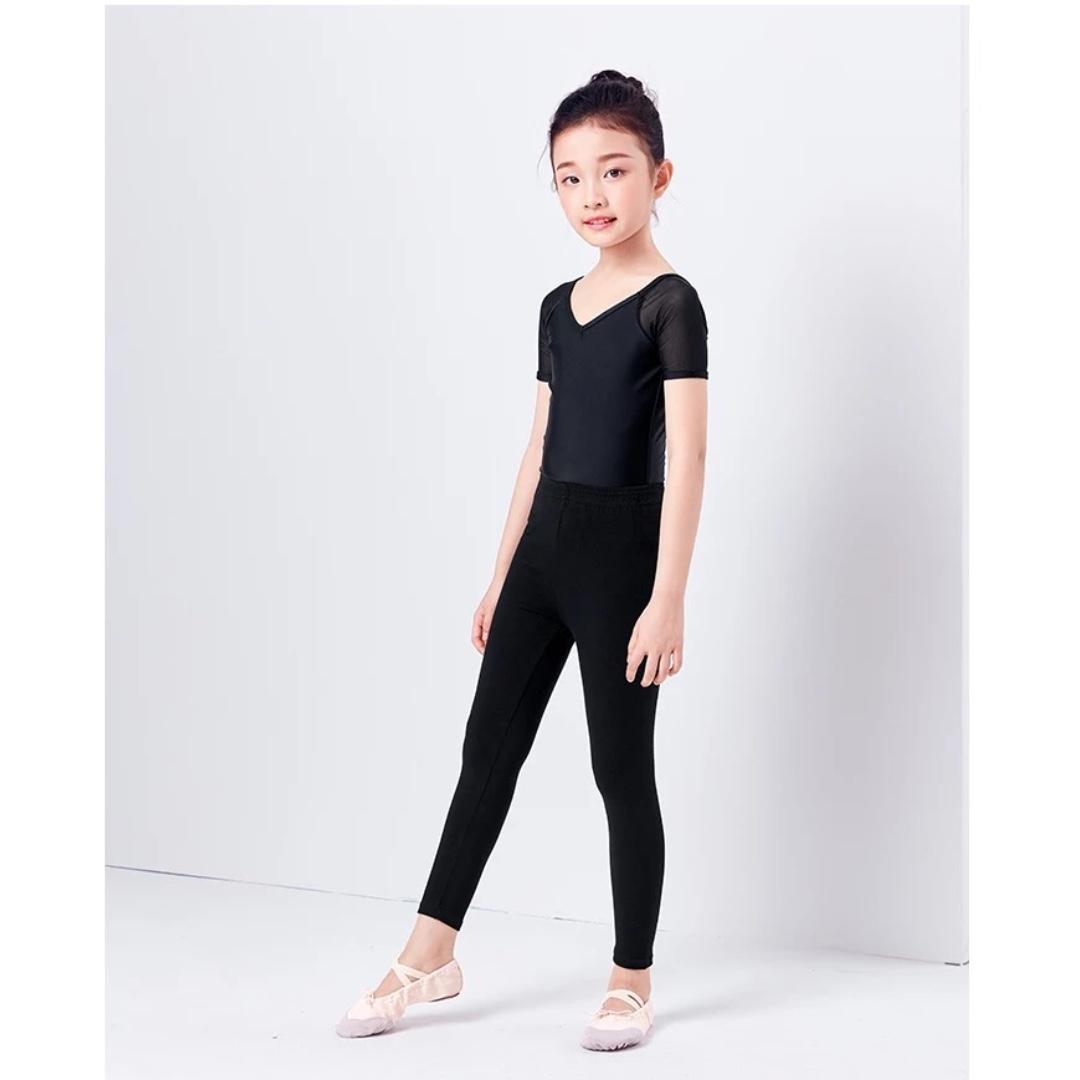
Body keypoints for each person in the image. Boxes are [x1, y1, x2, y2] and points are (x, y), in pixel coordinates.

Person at [337, 69, 709, 1052]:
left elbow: (689, 456)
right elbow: (538, 448)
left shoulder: (671, 305)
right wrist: (503, 576)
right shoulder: (556, 306)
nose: (593, 194)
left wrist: (668, 596)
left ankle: (631, 977)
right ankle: (429, 953)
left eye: (614, 170)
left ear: (659, 175)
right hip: (545, 555)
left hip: (624, 562)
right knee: (485, 754)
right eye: (570, 177)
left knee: (618, 768)